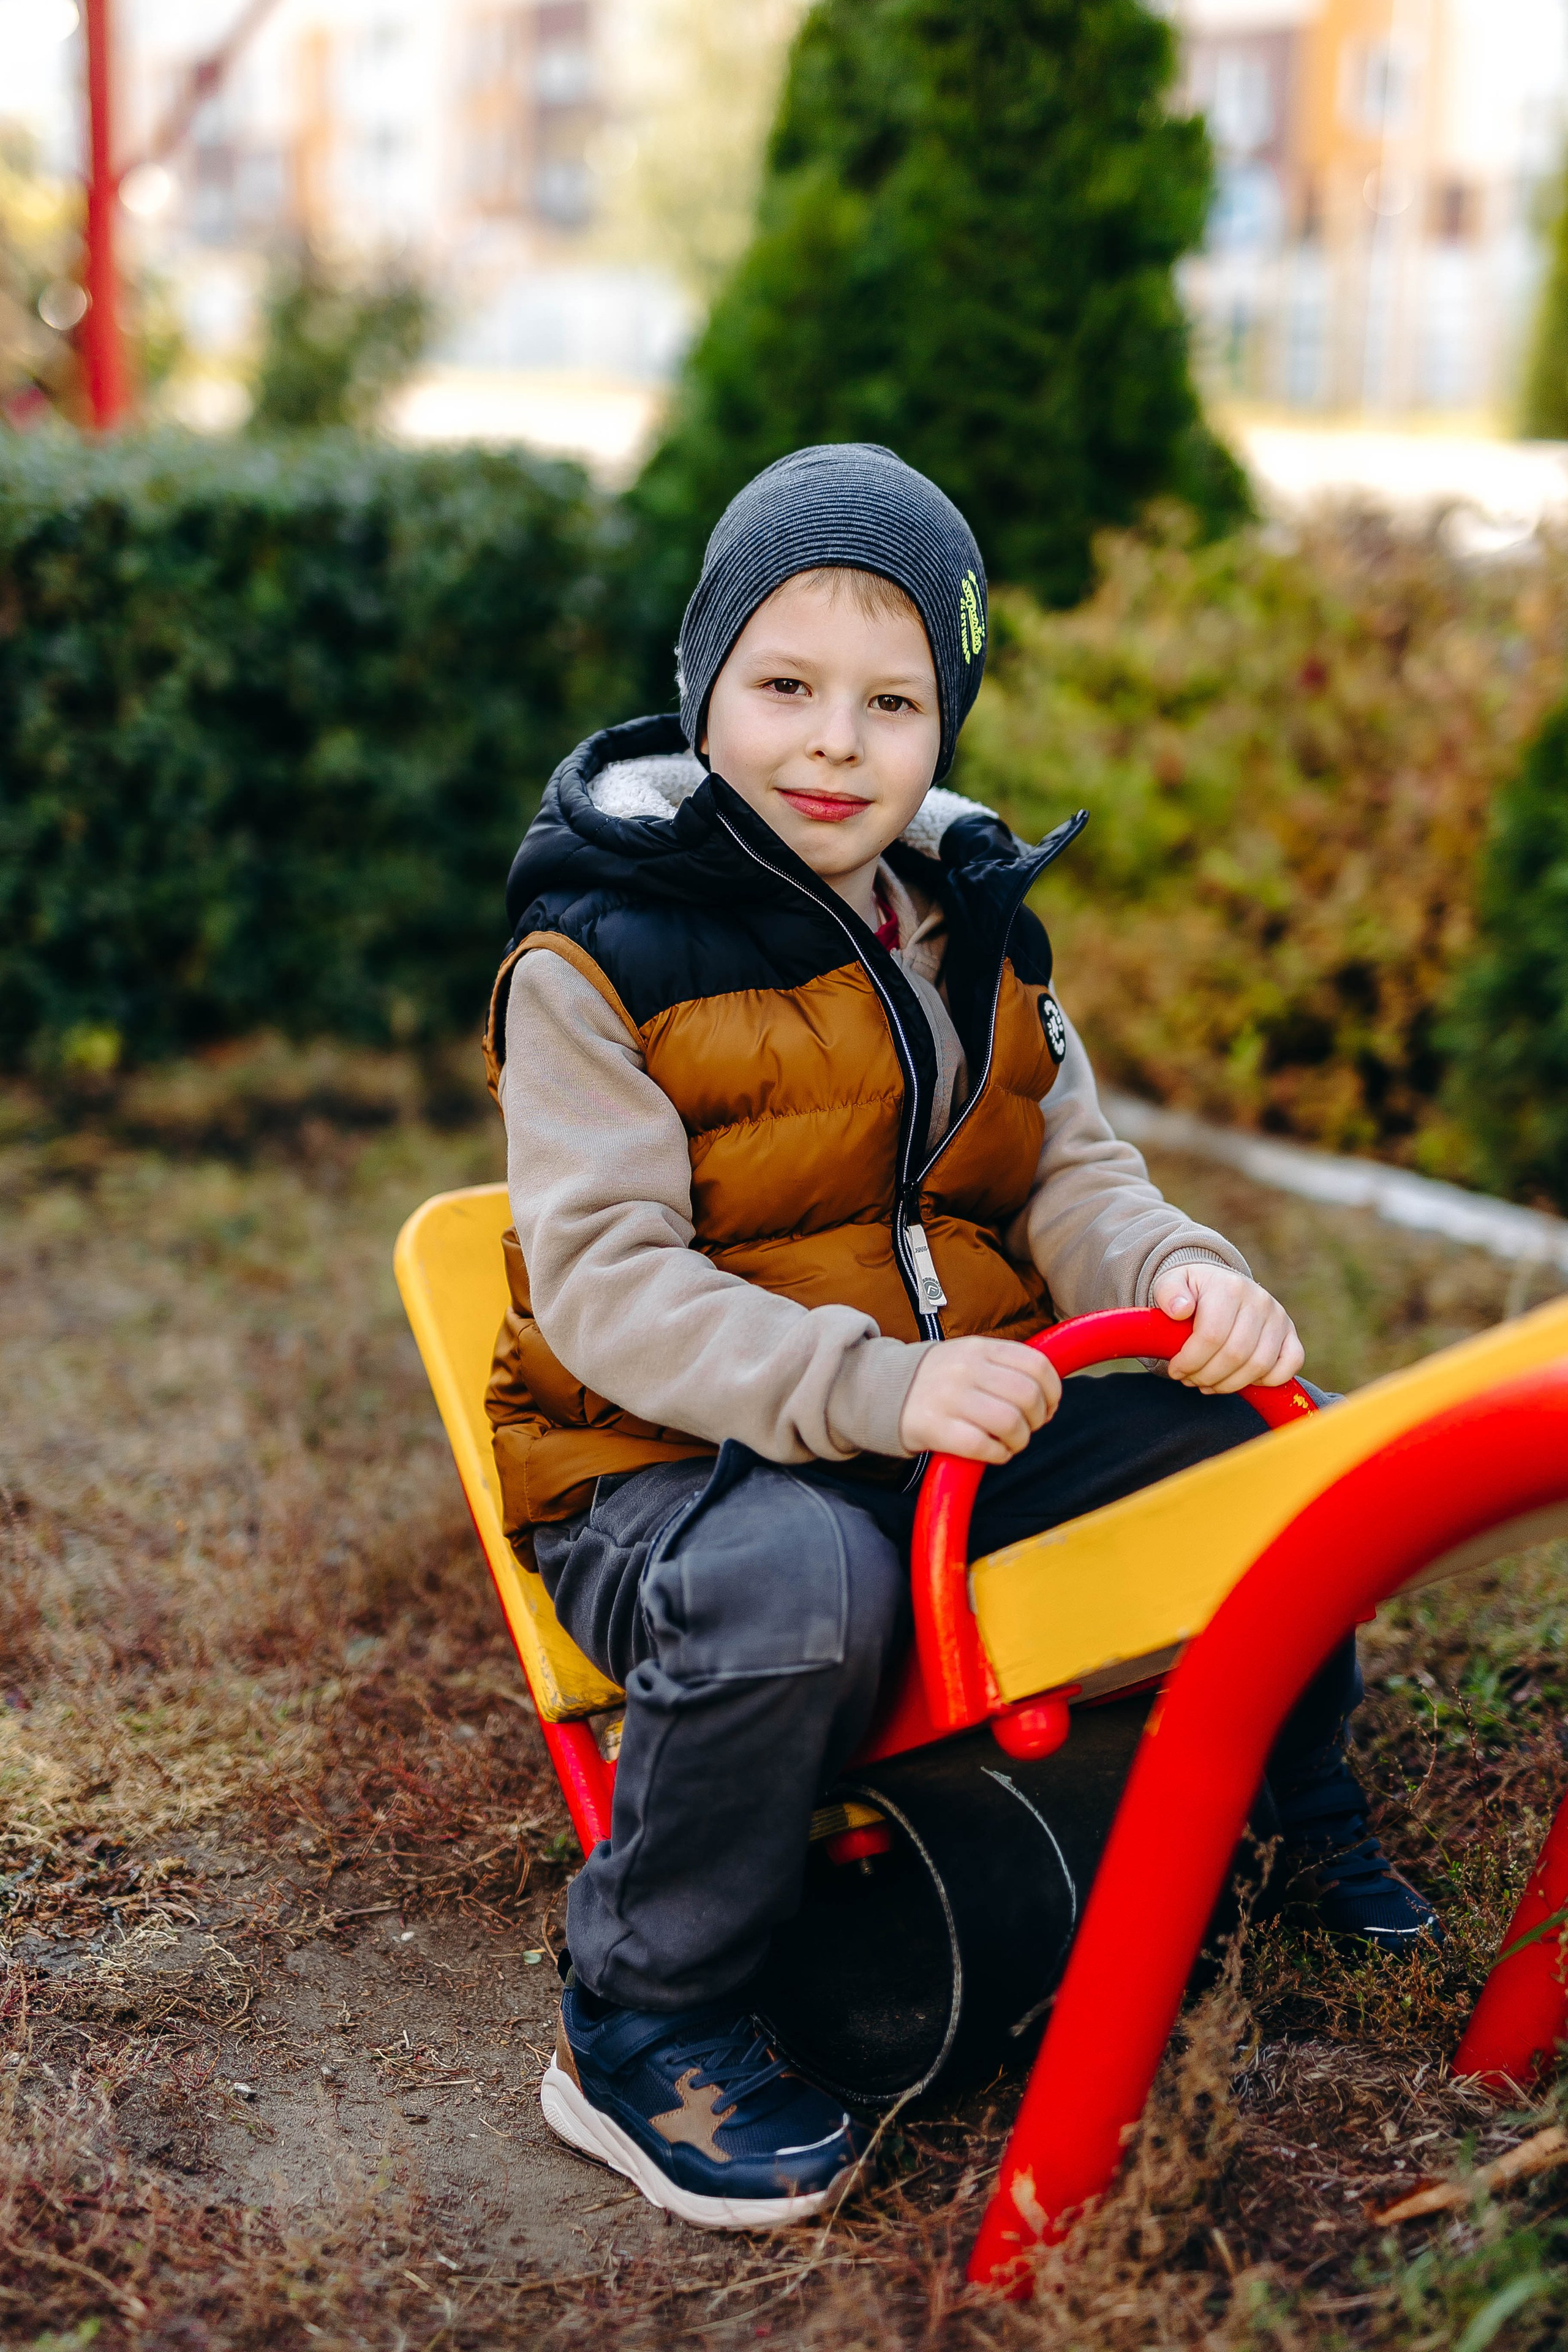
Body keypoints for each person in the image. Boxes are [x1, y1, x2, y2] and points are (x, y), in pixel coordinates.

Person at [483, 444, 1439, 2231]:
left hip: (943, 1423)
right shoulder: (597, 953)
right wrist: (877, 1386)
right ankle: (643, 2013)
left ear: (949, 720)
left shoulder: (973, 920)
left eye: (892, 699)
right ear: (704, 691)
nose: (833, 745)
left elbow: (1075, 1179)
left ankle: (1290, 1802)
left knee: (1261, 1455)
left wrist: (1185, 1280)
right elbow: (607, 1285)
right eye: (783, 688)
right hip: (666, 1456)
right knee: (795, 1595)